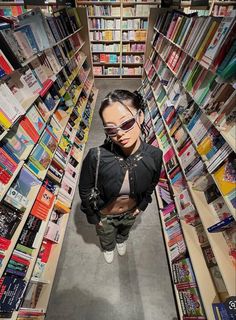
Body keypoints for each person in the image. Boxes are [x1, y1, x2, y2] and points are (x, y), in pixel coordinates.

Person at [79, 89, 163, 263]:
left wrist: (142, 204)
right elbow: (85, 189)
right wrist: (94, 218)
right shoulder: (96, 156)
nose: (120, 134)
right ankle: (108, 246)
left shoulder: (155, 155)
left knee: (125, 231)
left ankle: (121, 240)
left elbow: (152, 183)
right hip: (105, 215)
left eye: (126, 124)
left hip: (131, 212)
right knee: (106, 236)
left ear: (140, 116)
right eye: (111, 129)